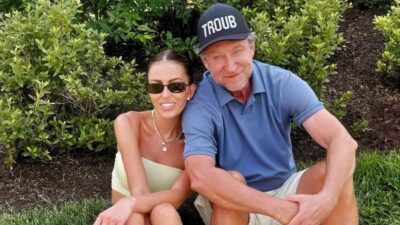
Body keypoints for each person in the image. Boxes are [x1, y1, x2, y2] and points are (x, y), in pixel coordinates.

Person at [183, 3, 358, 225]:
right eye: (217, 57)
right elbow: (200, 176)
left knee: (331, 176)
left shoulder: (282, 83)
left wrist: (327, 199)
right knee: (231, 183)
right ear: (205, 61)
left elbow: (342, 141)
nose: (230, 66)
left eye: (237, 51)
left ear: (251, 47)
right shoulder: (200, 105)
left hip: (285, 188)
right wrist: (279, 210)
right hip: (235, 203)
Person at [94, 49, 196, 225]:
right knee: (136, 217)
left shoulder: (195, 141)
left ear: (190, 91)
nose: (165, 95)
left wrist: (130, 203)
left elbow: (178, 196)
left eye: (176, 86)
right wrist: (131, 203)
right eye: (156, 86)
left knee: (164, 210)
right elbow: (139, 191)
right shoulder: (129, 123)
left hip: (162, 217)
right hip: (126, 219)